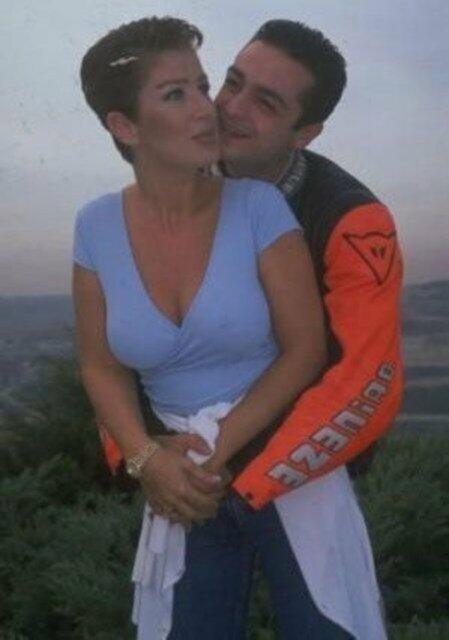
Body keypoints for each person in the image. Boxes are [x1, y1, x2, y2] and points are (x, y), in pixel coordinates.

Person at [74, 16, 335, 640]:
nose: (206, 108)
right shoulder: (95, 226)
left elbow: (305, 349)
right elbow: (100, 364)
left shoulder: (258, 207)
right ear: (125, 127)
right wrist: (145, 459)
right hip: (180, 490)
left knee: (325, 628)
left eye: (201, 85)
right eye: (175, 94)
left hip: (284, 465)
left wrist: (205, 455)